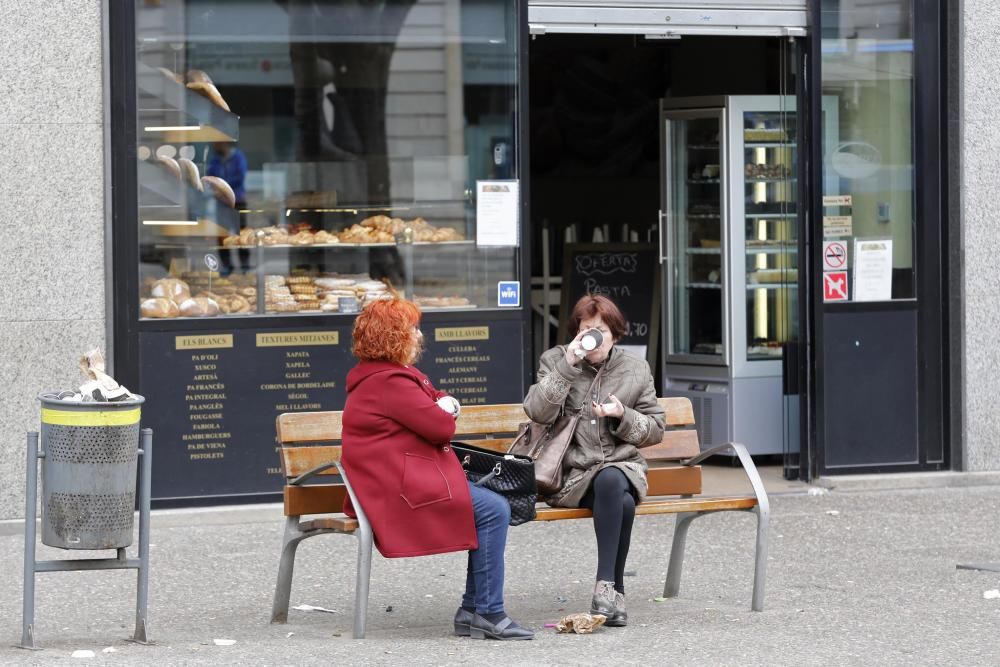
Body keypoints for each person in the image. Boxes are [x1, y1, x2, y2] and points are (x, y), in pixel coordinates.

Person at [340, 297, 533, 640]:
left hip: (394, 481)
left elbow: (430, 399)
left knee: (490, 507)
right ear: (395, 336)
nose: (418, 335)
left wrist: (442, 403)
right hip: (397, 490)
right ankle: (485, 611)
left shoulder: (385, 377)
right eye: (412, 328)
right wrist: (446, 408)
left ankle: (474, 610)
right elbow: (440, 427)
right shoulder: (390, 382)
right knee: (493, 509)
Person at [523, 295, 664, 627]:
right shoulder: (556, 360)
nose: (593, 337)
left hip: (623, 468)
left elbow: (656, 430)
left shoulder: (635, 369)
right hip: (572, 475)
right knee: (622, 502)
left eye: (600, 330)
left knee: (612, 479)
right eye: (586, 329)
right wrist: (568, 367)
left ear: (614, 333)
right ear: (576, 332)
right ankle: (616, 593)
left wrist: (622, 415)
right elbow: (536, 412)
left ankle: (603, 587)